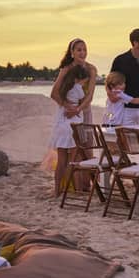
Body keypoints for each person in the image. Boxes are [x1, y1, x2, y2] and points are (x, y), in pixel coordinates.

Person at [49, 65, 89, 196]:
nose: (84, 83)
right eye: (84, 81)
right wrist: (76, 108)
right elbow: (84, 104)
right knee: (73, 161)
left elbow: (57, 98)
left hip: (61, 127)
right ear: (79, 79)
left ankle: (57, 190)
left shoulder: (64, 88)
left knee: (61, 161)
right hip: (73, 127)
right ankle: (76, 190)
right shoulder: (78, 88)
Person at [51, 38, 97, 123]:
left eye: (85, 50)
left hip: (85, 109)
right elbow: (54, 94)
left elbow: (90, 95)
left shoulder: (91, 69)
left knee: (86, 135)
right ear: (72, 53)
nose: (82, 53)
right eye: (79, 50)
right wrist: (67, 106)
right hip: (67, 110)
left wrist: (78, 109)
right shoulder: (66, 69)